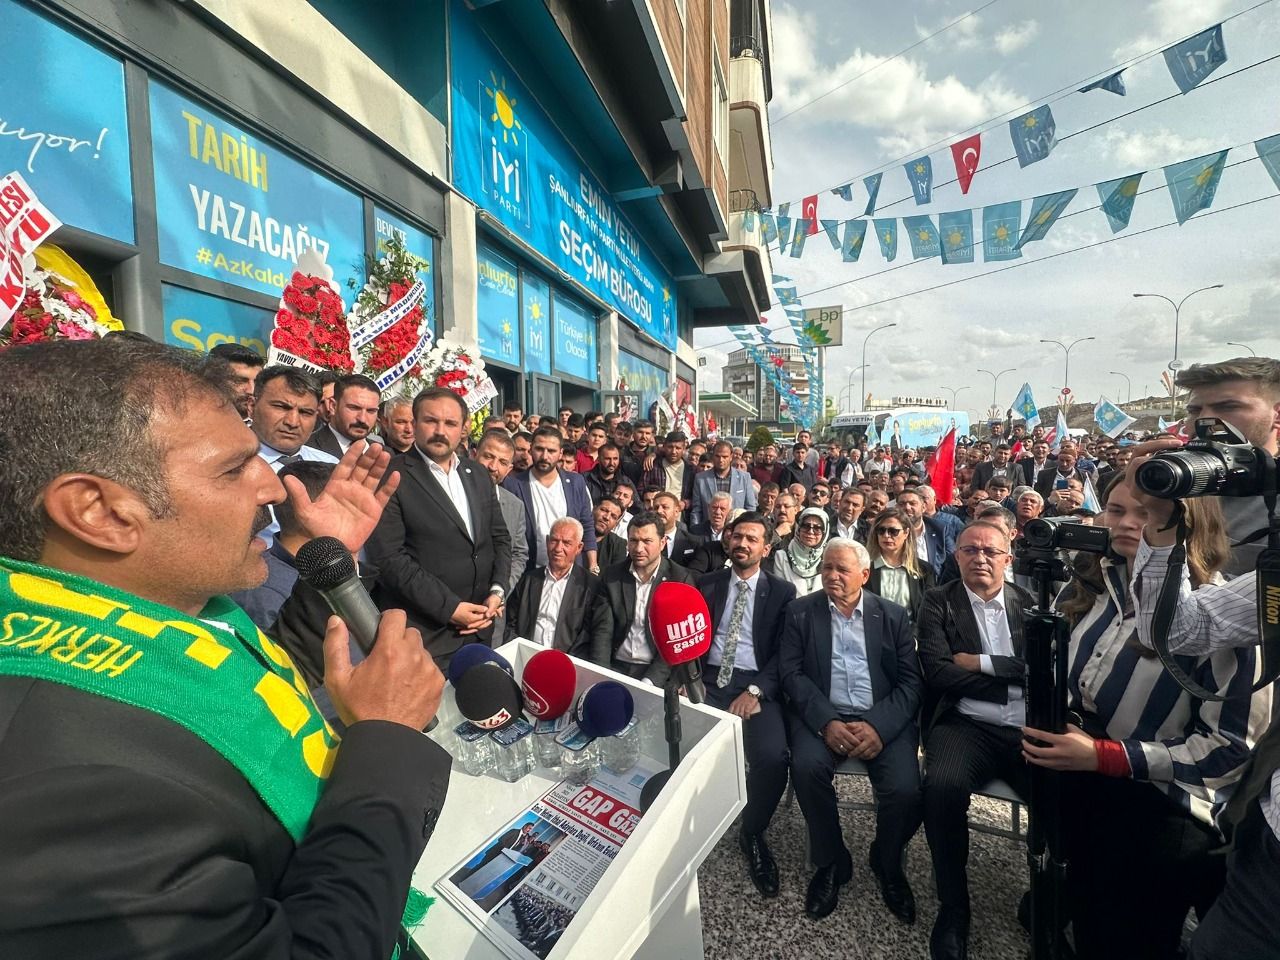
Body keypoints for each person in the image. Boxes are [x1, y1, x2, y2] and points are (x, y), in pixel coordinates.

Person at [0, 338, 448, 958]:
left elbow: (255, 669)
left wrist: (331, 569)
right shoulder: (64, 793)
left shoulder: (160, 609)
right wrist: (386, 745)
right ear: (97, 512)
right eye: (233, 468)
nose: (273, 484)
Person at [1021, 473, 1269, 960]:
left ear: (1189, 523)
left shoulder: (1220, 616)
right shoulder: (1097, 593)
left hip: (1162, 815)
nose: (1129, 524)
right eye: (1116, 510)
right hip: (1088, 786)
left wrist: (1106, 757)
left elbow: (1230, 750)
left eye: (1148, 513)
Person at [779, 539, 923, 922]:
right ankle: (830, 860)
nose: (831, 576)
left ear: (864, 574)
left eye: (841, 569)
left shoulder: (891, 616)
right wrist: (827, 722)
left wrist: (879, 726)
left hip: (881, 718)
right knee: (807, 769)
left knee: (907, 789)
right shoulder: (800, 612)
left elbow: (911, 683)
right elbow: (791, 675)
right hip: (824, 716)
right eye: (826, 568)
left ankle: (887, 862)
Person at [916, 520, 1032, 960]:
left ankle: (1045, 903)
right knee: (941, 787)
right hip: (964, 724)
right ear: (956, 556)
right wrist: (1014, 679)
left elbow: (1044, 671)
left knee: (1070, 794)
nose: (979, 558)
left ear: (1008, 557)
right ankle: (953, 906)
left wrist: (980, 662)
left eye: (989, 551)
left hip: (1026, 728)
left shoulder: (1032, 602)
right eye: (969, 550)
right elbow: (939, 671)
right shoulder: (937, 601)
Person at [367, 387, 512, 665]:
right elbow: (389, 559)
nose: (440, 431)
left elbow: (500, 539)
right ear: (415, 423)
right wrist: (451, 608)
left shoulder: (478, 474)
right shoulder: (391, 475)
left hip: (481, 628)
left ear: (464, 429)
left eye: (450, 423)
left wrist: (497, 591)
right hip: (425, 637)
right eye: (431, 421)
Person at [696, 512, 797, 898]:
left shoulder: (783, 592)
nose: (742, 544)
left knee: (773, 757)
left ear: (766, 548)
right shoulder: (705, 584)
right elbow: (688, 641)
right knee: (684, 742)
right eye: (738, 536)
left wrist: (755, 691)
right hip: (707, 680)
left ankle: (752, 832)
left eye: (752, 539)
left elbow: (785, 656)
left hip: (756, 684)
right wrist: (692, 686)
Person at [586, 511, 694, 681]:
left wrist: (651, 681)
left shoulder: (679, 580)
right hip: (616, 665)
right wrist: (601, 674)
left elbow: (677, 642)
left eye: (647, 541)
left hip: (655, 673)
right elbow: (602, 630)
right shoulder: (612, 576)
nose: (638, 548)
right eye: (634, 541)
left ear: (663, 542)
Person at [503, 426, 598, 572]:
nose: (545, 456)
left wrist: (592, 565)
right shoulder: (513, 485)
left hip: (571, 573)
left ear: (560, 453)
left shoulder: (575, 483)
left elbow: (586, 525)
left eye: (551, 451)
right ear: (531, 450)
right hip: (528, 573)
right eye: (539, 449)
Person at [504, 518, 599, 653]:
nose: (558, 548)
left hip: (566, 663)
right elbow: (510, 623)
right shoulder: (528, 580)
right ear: (548, 541)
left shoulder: (589, 586)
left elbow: (588, 636)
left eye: (566, 543)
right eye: (554, 541)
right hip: (525, 656)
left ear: (579, 548)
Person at [473, 430, 530, 639]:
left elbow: (519, 553)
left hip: (493, 612)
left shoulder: (515, 506)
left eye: (502, 461)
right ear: (474, 454)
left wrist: (500, 590)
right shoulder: (450, 496)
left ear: (509, 469)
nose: (493, 467)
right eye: (488, 456)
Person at [864, 507, 936, 624]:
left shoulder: (924, 570)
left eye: (893, 531)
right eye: (881, 530)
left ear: (906, 533)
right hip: (874, 633)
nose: (886, 536)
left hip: (911, 635)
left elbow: (929, 611)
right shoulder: (865, 567)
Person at [307, 373, 384, 458]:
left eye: (371, 411)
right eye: (354, 408)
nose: (362, 419)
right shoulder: (305, 449)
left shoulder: (385, 454)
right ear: (333, 406)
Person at [691, 440, 757, 527]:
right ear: (713, 456)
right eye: (717, 456)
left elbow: (750, 508)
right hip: (708, 531)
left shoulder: (744, 477)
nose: (721, 460)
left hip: (736, 529)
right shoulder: (701, 479)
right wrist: (695, 531)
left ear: (731, 457)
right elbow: (697, 509)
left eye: (724, 457)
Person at [769, 507, 829, 596]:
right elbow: (780, 593)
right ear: (799, 528)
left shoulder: (828, 558)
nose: (810, 532)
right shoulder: (782, 556)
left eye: (817, 528)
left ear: (824, 532)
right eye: (806, 526)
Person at [896, 488, 955, 577]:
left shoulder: (939, 529)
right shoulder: (887, 531)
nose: (907, 507)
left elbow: (952, 563)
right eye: (902, 504)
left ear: (923, 507)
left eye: (912, 503)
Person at [642, 430, 695, 515]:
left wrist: (685, 503)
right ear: (664, 447)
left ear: (684, 449)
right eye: (670, 447)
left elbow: (696, 497)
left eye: (678, 448)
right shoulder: (653, 465)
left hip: (680, 517)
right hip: (655, 516)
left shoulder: (691, 470)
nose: (674, 451)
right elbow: (641, 489)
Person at [208, 341, 263, 420]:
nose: (252, 390)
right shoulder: (192, 423)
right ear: (214, 379)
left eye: (256, 382)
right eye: (239, 381)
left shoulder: (266, 430)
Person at [653, 490, 703, 568]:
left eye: (665, 507)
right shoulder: (642, 539)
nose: (659, 511)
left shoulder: (693, 542)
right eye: (656, 508)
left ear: (676, 511)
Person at [583, 441, 624, 506]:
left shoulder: (625, 481)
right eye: (607, 459)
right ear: (598, 459)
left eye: (615, 459)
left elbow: (638, 507)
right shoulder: (584, 479)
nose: (612, 463)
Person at [592, 498, 628, 569]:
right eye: (604, 510)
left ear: (616, 524)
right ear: (593, 509)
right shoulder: (576, 533)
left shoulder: (619, 545)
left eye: (613, 516)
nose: (607, 517)